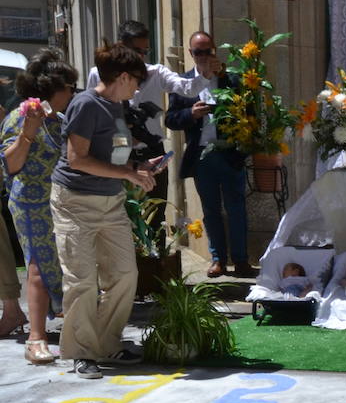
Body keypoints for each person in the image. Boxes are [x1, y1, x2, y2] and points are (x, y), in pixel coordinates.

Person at [51, 43, 159, 380]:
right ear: (123, 76)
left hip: (110, 201)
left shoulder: (117, 106)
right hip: (75, 203)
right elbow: (78, 158)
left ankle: (108, 344)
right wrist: (128, 174)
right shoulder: (85, 104)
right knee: (82, 281)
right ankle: (82, 353)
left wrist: (138, 166)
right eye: (136, 81)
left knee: (125, 275)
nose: (138, 89)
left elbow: (108, 157)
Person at [84, 20, 216, 204]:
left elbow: (186, 88)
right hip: (118, 152)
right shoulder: (98, 74)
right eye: (138, 51)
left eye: (146, 51)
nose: (142, 57)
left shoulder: (156, 73)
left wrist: (205, 74)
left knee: (155, 211)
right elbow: (95, 111)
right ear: (122, 47)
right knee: (120, 210)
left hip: (151, 152)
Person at [1, 49, 78, 363]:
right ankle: (36, 338)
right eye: (68, 87)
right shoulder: (21, 116)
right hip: (31, 202)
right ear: (51, 89)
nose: (72, 92)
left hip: (59, 202)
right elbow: (11, 164)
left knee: (62, 266)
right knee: (36, 266)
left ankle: (71, 329)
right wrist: (28, 133)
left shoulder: (59, 118)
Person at [165, 31, 250, 278]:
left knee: (237, 208)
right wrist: (190, 114)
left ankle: (241, 260)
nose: (204, 57)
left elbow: (249, 110)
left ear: (215, 51)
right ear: (191, 54)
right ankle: (218, 259)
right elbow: (171, 119)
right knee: (210, 210)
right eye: (198, 52)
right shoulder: (182, 83)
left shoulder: (231, 79)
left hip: (229, 153)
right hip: (202, 156)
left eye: (208, 51)